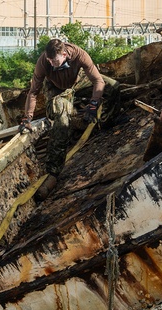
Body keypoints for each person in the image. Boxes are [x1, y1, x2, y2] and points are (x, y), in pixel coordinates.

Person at [20, 38, 119, 199]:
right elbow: (33, 92)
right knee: (62, 120)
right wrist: (28, 117)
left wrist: (94, 104)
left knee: (113, 86)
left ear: (65, 54)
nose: (52, 64)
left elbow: (98, 80)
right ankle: (53, 170)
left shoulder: (80, 55)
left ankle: (106, 123)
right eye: (49, 60)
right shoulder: (43, 63)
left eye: (55, 60)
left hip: (77, 83)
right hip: (56, 90)